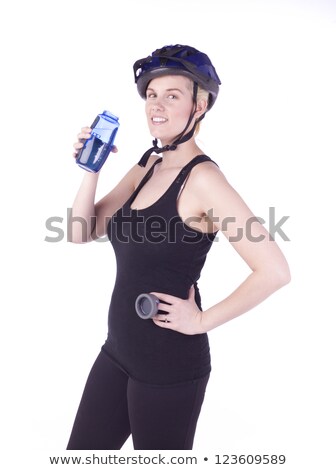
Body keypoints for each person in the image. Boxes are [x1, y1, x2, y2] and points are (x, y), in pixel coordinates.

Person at [66, 44, 291, 450]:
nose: (157, 105)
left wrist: (202, 321)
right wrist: (90, 171)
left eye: (173, 96)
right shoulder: (148, 163)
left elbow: (274, 270)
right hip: (117, 353)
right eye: (152, 94)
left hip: (170, 367)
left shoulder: (203, 180)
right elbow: (81, 231)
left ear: (199, 106)